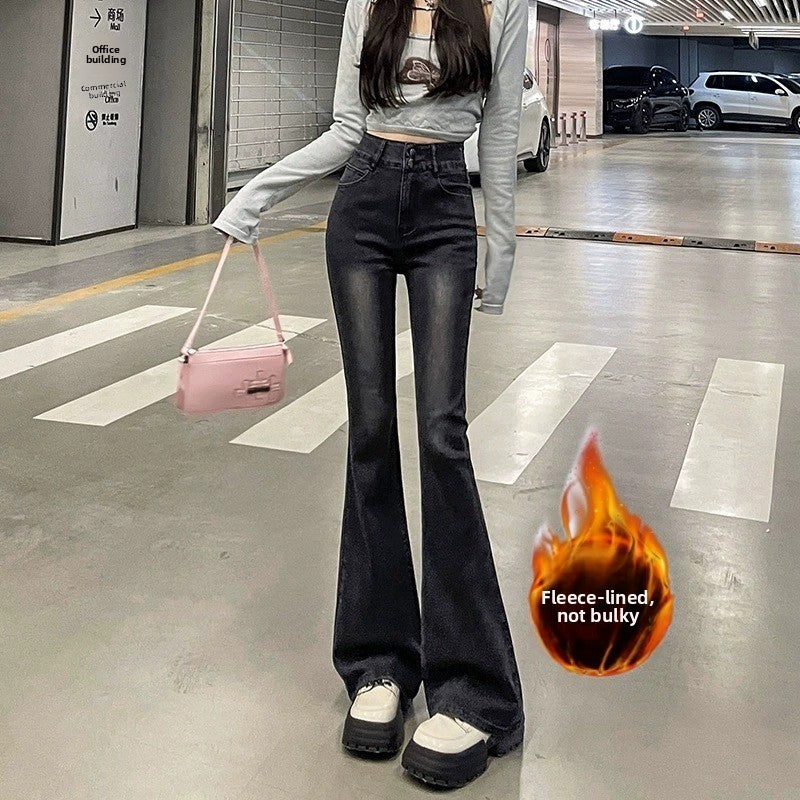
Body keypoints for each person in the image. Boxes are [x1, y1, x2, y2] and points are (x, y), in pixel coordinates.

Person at [212, 0, 528, 788]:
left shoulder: (504, 5)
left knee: (442, 434)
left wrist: (501, 248)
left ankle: (475, 693)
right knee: (370, 429)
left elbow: (501, 133)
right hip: (362, 206)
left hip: (444, 209)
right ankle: (378, 662)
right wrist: (257, 195)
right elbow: (347, 128)